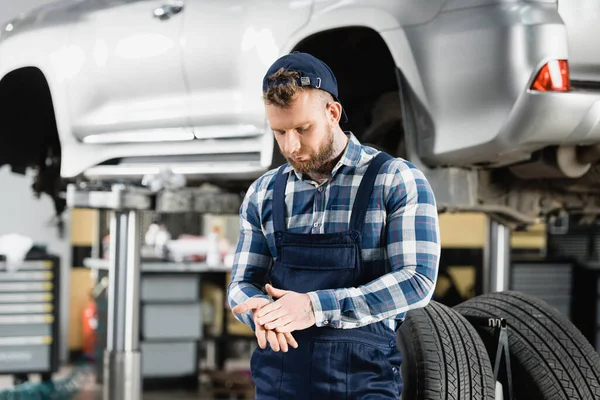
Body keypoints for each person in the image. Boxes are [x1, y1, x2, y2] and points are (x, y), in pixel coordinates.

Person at [227, 52, 441, 399]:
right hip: (280, 380)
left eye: (302, 129)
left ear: (333, 113)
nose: (291, 146)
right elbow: (242, 282)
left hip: (361, 381)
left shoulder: (394, 180)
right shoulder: (264, 192)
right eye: (279, 132)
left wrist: (313, 307)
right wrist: (258, 309)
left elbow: (417, 281)